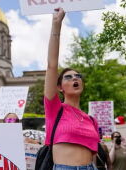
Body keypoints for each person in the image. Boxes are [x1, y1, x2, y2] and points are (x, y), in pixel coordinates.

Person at [44, 8, 99, 169]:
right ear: (60, 87)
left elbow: (94, 156)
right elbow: (51, 66)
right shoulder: (55, 109)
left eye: (78, 76)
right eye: (68, 77)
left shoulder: (91, 120)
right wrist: (56, 25)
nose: (75, 78)